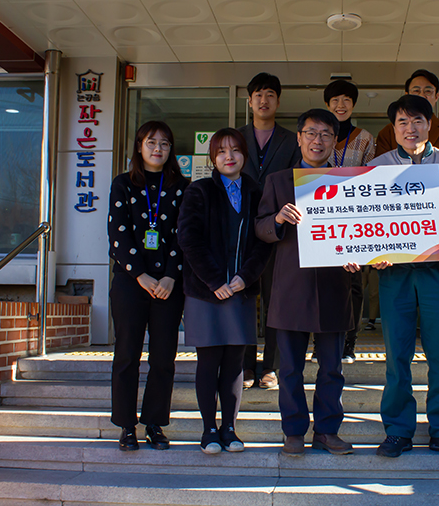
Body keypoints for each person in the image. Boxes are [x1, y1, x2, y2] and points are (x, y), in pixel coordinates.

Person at [358, 95, 439, 458]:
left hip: (437, 273)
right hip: (393, 275)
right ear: (392, 129)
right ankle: (398, 430)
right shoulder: (376, 167)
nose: (410, 129)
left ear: (430, 124)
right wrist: (370, 253)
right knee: (397, 355)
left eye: (417, 121)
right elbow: (362, 221)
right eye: (402, 123)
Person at [255, 108, 355, 457]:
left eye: (326, 134)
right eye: (311, 133)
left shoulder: (349, 181)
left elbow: (362, 231)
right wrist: (278, 219)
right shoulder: (279, 181)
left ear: (334, 141)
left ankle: (327, 431)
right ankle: (294, 431)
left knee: (331, 367)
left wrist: (360, 253)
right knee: (290, 368)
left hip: (334, 285)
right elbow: (261, 228)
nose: (318, 140)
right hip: (291, 286)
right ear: (298, 139)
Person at [177, 128, 272, 454]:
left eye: (234, 150)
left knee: (235, 363)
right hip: (205, 292)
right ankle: (208, 431)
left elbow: (263, 242)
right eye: (221, 151)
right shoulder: (199, 191)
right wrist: (214, 281)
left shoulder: (256, 191)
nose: (228, 156)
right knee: (208, 361)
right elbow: (189, 239)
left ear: (244, 154)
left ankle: (230, 429)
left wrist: (246, 277)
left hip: (241, 291)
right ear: (212, 158)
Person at [108, 120, 189, 451]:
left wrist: (170, 276)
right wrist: (141, 275)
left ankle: (154, 422)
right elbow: (118, 233)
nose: (158, 148)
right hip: (131, 281)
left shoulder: (182, 187)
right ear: (139, 146)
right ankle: (127, 424)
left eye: (165, 143)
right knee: (127, 353)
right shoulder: (123, 184)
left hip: (169, 284)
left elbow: (184, 235)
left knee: (163, 357)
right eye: (151, 142)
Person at [238, 72, 300, 390]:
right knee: (246, 296)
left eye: (270, 95)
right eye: (258, 94)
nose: (264, 100)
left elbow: (296, 183)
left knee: (277, 298)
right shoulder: (234, 139)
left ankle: (269, 367)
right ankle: (246, 365)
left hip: (279, 231)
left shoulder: (292, 140)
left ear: (278, 101)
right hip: (241, 233)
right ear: (249, 101)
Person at [323, 79, 376, 363]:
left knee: (353, 284)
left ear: (353, 104)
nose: (340, 105)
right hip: (322, 219)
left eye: (346, 100)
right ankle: (322, 343)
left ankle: (348, 343)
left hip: (355, 221)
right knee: (323, 282)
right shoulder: (320, 133)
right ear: (327, 104)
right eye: (335, 100)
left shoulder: (365, 137)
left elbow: (372, 176)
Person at [374, 69, 439, 171]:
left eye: (428, 91)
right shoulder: (387, 133)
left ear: (436, 96)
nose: (422, 95)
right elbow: (381, 169)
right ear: (407, 94)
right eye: (416, 91)